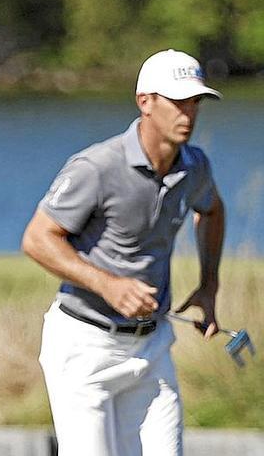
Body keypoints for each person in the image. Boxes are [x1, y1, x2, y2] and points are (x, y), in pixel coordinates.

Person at [22, 49, 226, 456]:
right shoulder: (97, 166)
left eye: (195, 101)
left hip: (152, 348)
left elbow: (212, 210)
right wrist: (109, 285)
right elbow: (38, 239)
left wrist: (209, 286)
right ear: (145, 102)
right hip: (84, 348)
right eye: (177, 101)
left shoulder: (195, 166)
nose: (188, 113)